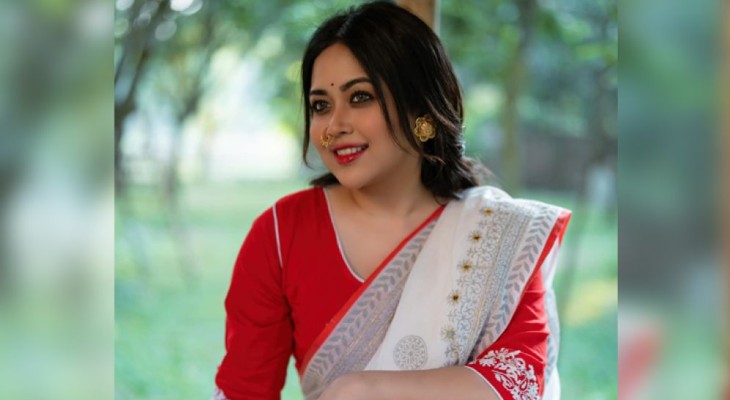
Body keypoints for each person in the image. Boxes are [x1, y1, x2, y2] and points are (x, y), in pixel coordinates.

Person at [213, 2, 570, 399]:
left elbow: (519, 382)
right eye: (320, 106)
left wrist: (360, 389)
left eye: (360, 97)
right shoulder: (282, 234)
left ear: (421, 111)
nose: (334, 126)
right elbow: (244, 389)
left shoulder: (497, 234)